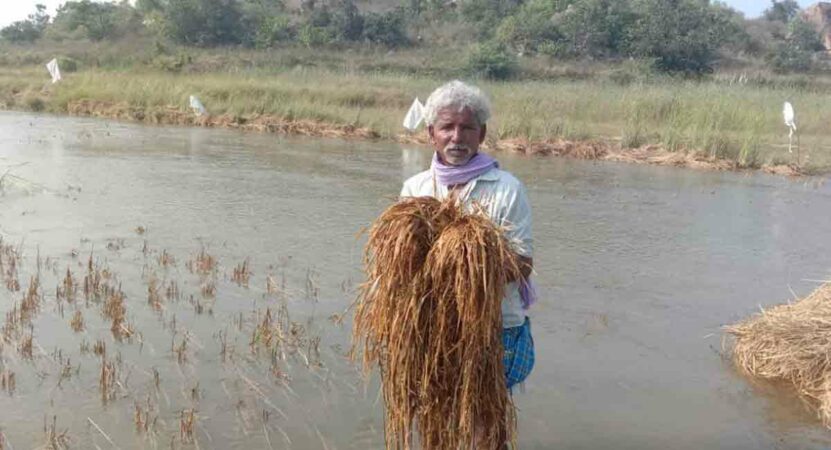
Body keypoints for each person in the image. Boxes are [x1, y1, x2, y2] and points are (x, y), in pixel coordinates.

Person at [400, 80, 535, 391]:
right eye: (447, 127)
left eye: (467, 128)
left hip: (494, 328)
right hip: (431, 327)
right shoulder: (416, 189)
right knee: (437, 420)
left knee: (490, 426)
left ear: (482, 134)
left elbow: (523, 264)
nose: (457, 137)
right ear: (431, 133)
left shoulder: (507, 188)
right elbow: (404, 263)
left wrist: (460, 261)